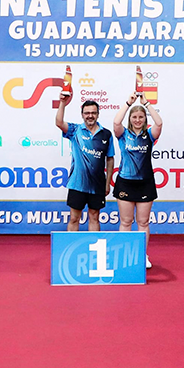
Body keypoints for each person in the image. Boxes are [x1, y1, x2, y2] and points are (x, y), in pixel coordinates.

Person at [113, 91, 163, 269]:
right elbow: (116, 122)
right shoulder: (122, 134)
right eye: (134, 117)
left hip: (145, 183)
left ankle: (142, 255)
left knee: (143, 222)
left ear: (144, 118)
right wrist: (128, 103)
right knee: (126, 222)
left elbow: (159, 123)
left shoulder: (149, 135)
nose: (137, 120)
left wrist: (147, 103)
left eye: (141, 117)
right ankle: (124, 255)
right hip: (125, 182)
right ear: (130, 118)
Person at [55, 93, 115, 232]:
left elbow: (110, 159)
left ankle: (93, 252)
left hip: (98, 184)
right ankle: (71, 250)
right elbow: (59, 122)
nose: (90, 116)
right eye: (87, 113)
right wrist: (62, 103)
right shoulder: (75, 130)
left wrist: (107, 184)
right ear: (82, 114)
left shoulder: (106, 134)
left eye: (93, 113)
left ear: (98, 114)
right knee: (74, 218)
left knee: (94, 217)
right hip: (77, 184)